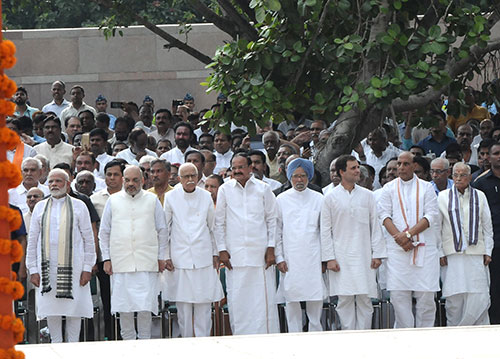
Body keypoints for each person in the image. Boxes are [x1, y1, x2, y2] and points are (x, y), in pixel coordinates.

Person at [26, 169, 96, 343]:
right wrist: (33, 269)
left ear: (67, 183)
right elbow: (33, 240)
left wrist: (88, 267)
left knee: (75, 310)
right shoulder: (40, 206)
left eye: (58, 181)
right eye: (51, 181)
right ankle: (55, 346)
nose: (54, 185)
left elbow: (89, 239)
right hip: (47, 269)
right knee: (51, 310)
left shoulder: (79, 205)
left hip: (76, 268)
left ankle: (73, 348)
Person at [214, 152, 280, 335]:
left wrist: (271, 248)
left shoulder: (263, 188)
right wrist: (222, 250)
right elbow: (219, 223)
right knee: (239, 301)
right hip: (235, 256)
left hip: (261, 255)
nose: (237, 171)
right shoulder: (225, 189)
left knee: (262, 303)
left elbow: (272, 220)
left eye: (240, 167)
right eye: (233, 168)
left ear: (251, 168)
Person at [99, 165, 167, 340]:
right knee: (124, 310)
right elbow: (104, 232)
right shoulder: (113, 201)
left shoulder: (152, 200)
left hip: (147, 263)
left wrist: (161, 258)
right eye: (127, 180)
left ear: (143, 181)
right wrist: (106, 258)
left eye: (135, 180)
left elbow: (162, 230)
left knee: (145, 310)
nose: (131, 184)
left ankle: (145, 347)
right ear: (122, 180)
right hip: (120, 264)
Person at [321, 155, 386, 330]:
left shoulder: (368, 195)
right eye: (353, 168)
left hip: (364, 254)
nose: (358, 171)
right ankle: (348, 337)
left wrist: (378, 254)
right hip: (340, 255)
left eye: (358, 167)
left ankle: (364, 336)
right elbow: (325, 231)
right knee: (344, 299)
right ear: (342, 172)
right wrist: (329, 258)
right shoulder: (329, 197)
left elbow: (376, 226)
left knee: (365, 298)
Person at [378, 152, 440, 328]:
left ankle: (425, 336)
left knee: (426, 296)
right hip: (398, 250)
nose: (401, 168)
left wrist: (407, 235)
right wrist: (400, 238)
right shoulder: (388, 188)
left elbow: (431, 215)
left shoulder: (427, 187)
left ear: (414, 166)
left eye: (406, 164)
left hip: (423, 249)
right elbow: (383, 215)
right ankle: (406, 336)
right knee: (398, 296)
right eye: (399, 164)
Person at [163, 163, 223, 337]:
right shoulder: (171, 197)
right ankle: (187, 344)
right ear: (179, 179)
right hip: (179, 258)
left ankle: (204, 343)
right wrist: (166, 256)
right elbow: (165, 229)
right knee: (184, 308)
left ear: (198, 177)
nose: (190, 180)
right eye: (186, 176)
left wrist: (215, 253)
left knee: (204, 305)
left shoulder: (206, 196)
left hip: (203, 256)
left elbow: (212, 227)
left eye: (193, 176)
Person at [438, 162, 493, 326]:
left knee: (479, 297)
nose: (459, 178)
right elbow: (437, 228)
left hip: (476, 254)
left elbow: (487, 227)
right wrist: (440, 252)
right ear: (451, 176)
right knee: (454, 300)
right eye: (455, 175)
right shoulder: (442, 197)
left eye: (463, 175)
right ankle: (456, 336)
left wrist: (488, 251)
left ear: (470, 177)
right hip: (452, 255)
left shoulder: (480, 196)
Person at [275, 158, 325, 332]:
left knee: (315, 299)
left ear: (309, 177)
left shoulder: (319, 198)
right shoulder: (281, 199)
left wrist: (325, 258)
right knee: (292, 299)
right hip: (290, 258)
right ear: (289, 177)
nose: (299, 180)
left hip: (313, 257)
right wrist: (279, 257)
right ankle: (293, 336)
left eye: (303, 176)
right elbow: (277, 231)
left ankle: (315, 335)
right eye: (295, 176)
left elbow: (325, 231)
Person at [91, 159, 125, 340]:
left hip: (127, 256)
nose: (111, 178)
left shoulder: (131, 197)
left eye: (116, 175)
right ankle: (111, 338)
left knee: (126, 300)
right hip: (105, 258)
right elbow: (93, 230)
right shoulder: (95, 199)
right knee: (107, 300)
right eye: (108, 175)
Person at [472, 142, 500, 324]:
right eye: (496, 153)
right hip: (494, 244)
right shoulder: (480, 183)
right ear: (488, 158)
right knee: (495, 289)